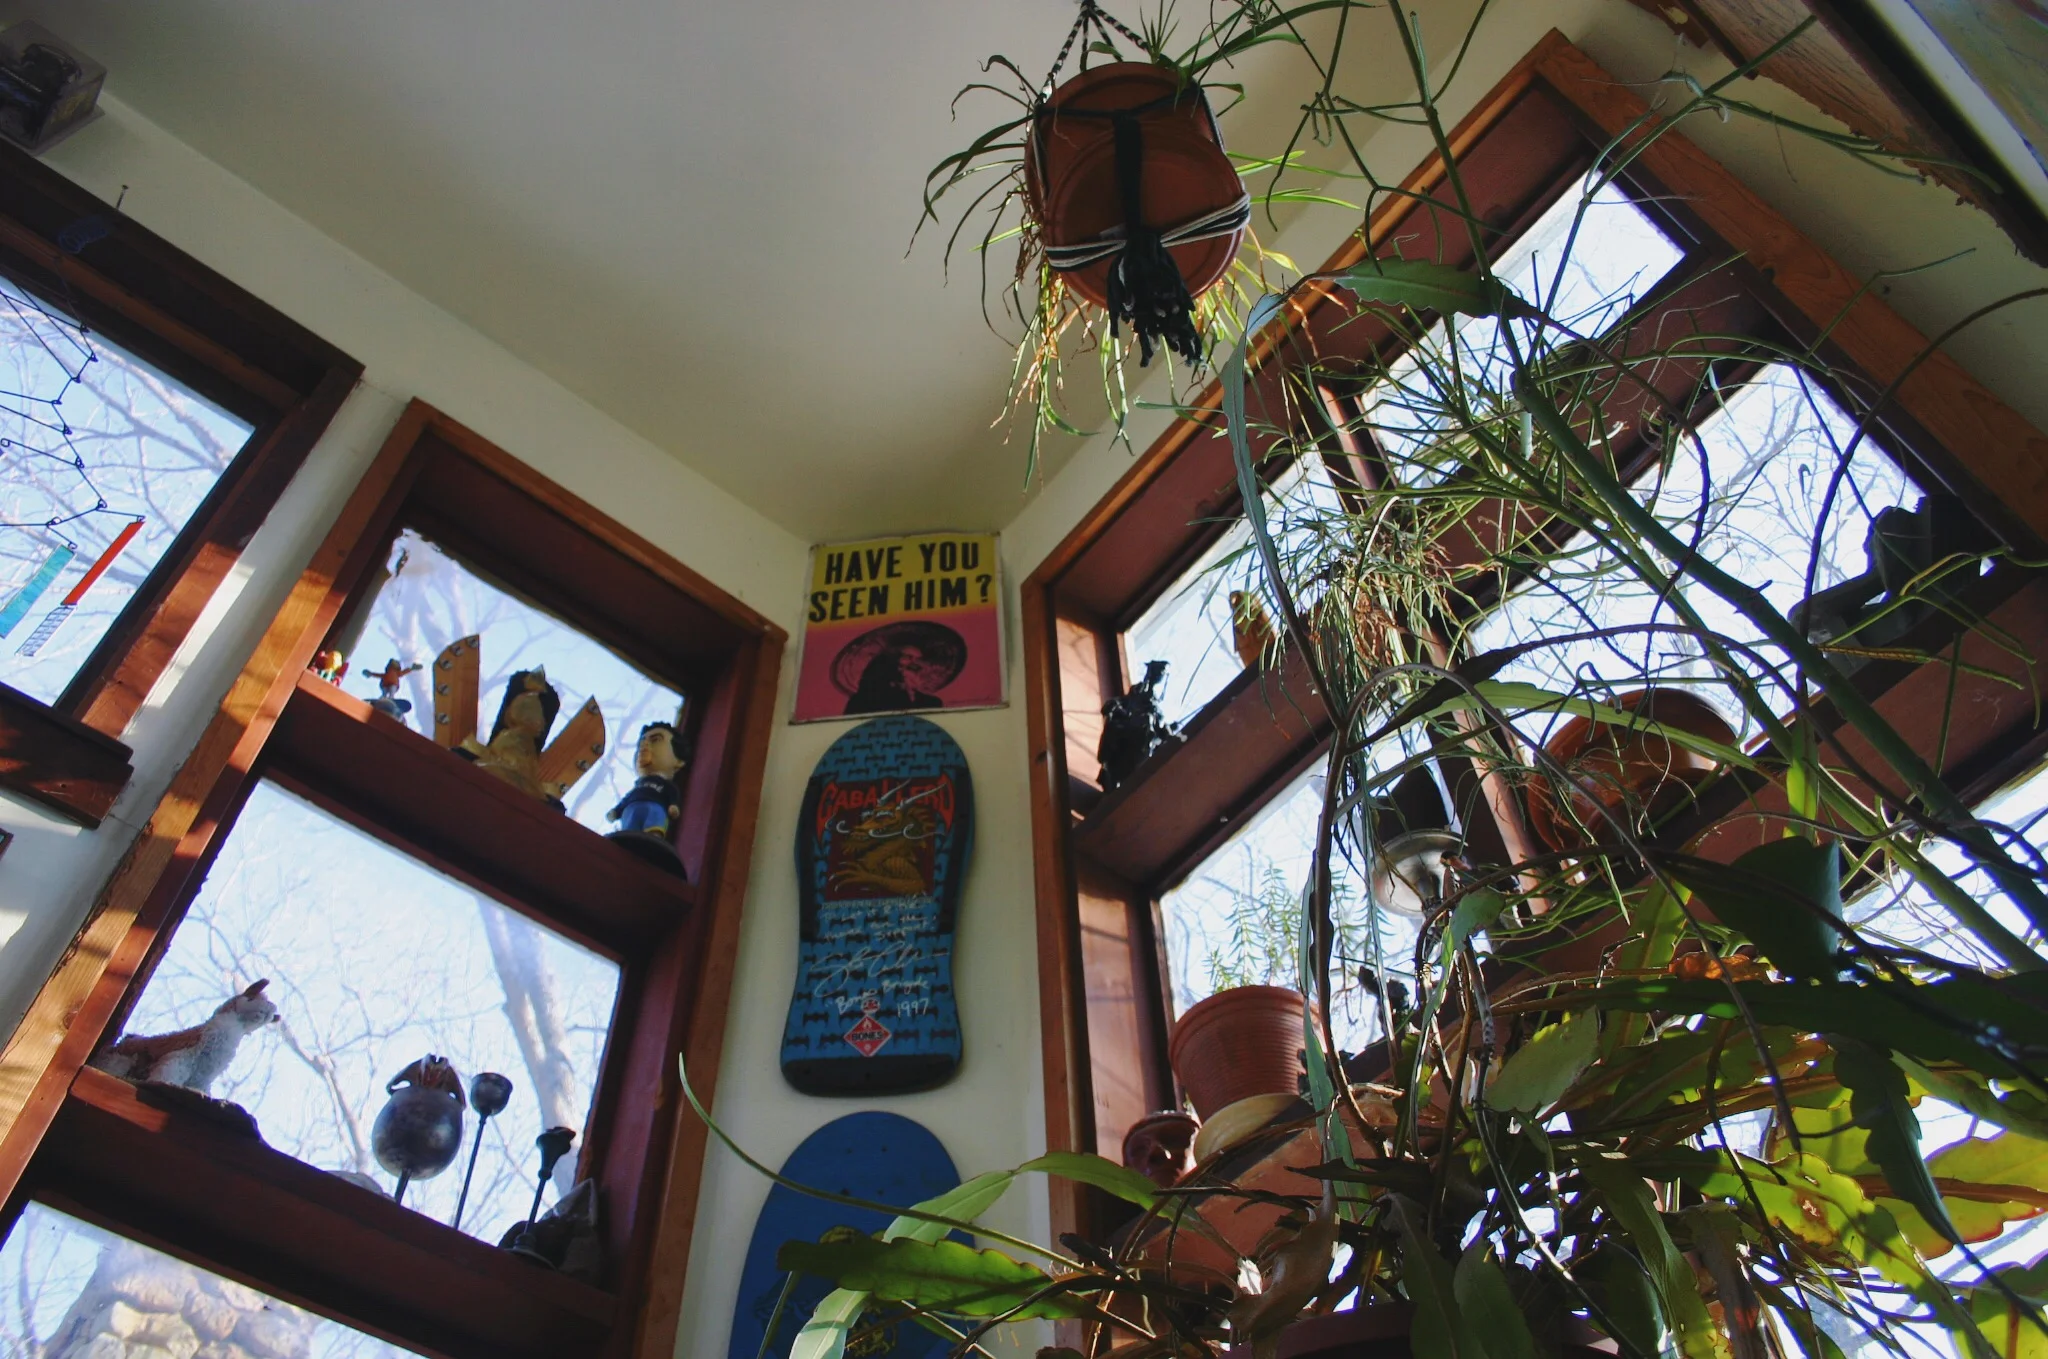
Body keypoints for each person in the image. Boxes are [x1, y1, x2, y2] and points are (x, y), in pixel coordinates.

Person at [608, 721, 684, 841]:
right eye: (640, 744)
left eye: (656, 740)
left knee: (654, 824)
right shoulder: (638, 786)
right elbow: (626, 799)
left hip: (655, 807)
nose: (644, 746)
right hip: (631, 809)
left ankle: (653, 838)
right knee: (629, 830)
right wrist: (616, 811)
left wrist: (673, 805)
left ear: (679, 760)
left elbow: (672, 794)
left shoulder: (666, 784)